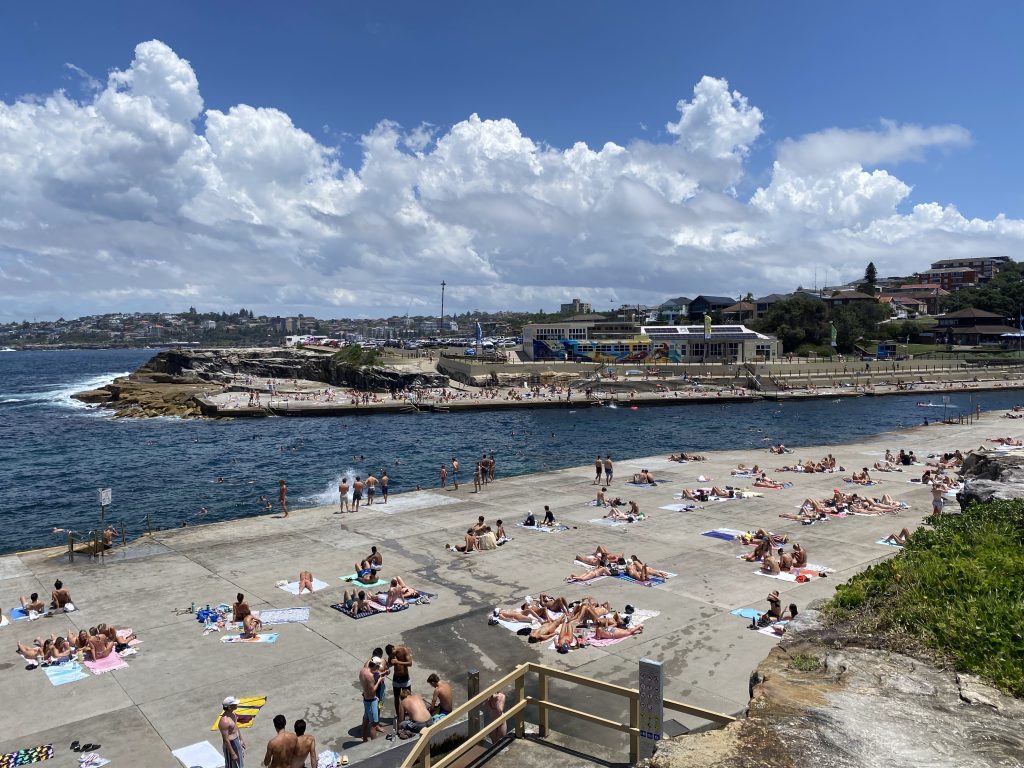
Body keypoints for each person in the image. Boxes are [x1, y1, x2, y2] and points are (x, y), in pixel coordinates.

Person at [360, 659, 386, 741]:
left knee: (366, 718)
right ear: (375, 665)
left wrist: (381, 674)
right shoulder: (370, 675)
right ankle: (374, 744)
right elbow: (372, 690)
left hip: (366, 699)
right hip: (372, 701)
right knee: (373, 724)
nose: (378, 669)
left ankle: (364, 737)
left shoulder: (363, 670)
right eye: (377, 667)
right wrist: (378, 681)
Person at [219, 696, 246, 768]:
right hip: (231, 744)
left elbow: (236, 727)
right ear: (229, 707)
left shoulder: (233, 714)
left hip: (236, 742)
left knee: (240, 764)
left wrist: (241, 739)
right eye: (234, 704)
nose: (236, 705)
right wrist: (232, 753)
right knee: (231, 766)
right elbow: (225, 740)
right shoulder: (224, 721)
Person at [390, 645, 413, 720]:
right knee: (396, 697)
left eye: (393, 653)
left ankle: (410, 714)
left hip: (405, 678)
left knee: (408, 697)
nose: (393, 655)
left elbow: (410, 663)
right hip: (396, 678)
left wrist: (398, 662)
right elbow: (389, 663)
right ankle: (398, 715)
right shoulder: (391, 653)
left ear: (394, 649)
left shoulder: (404, 650)